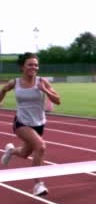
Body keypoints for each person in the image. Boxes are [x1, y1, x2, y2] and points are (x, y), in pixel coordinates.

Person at [0, 52, 61, 196]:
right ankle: (38, 185)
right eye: (30, 64)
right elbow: (3, 90)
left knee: (24, 153)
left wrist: (45, 90)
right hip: (21, 123)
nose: (34, 67)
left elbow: (58, 100)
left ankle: (11, 150)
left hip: (38, 123)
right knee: (40, 146)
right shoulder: (14, 83)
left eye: (36, 65)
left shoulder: (42, 82)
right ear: (22, 67)